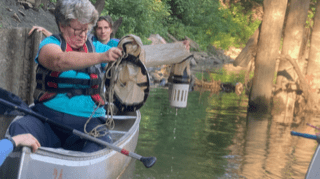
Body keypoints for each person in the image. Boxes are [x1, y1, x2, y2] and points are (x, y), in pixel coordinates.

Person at [9, 0, 122, 153]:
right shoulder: (49, 44)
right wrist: (102, 57)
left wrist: (130, 47)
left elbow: (124, 52)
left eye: (86, 29)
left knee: (99, 146)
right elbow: (58, 61)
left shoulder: (98, 48)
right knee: (19, 127)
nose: (83, 35)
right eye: (77, 30)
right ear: (62, 26)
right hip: (47, 121)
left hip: (88, 126)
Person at [29, 16, 119, 47]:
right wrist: (44, 31)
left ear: (111, 30)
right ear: (95, 30)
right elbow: (66, 39)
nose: (103, 31)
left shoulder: (117, 43)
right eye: (99, 28)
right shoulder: (90, 40)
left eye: (106, 28)